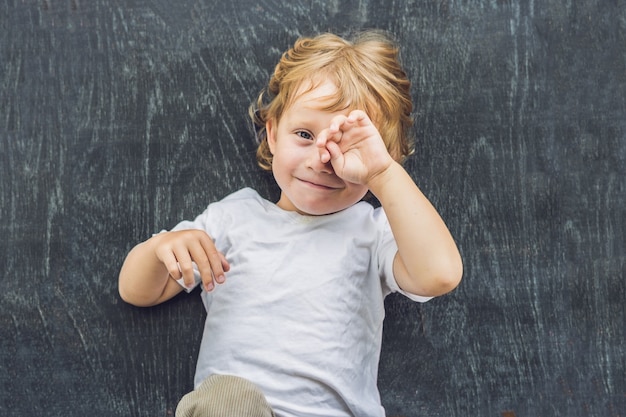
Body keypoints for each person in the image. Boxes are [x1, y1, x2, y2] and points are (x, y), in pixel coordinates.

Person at [118, 30, 463, 417]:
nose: (321, 160)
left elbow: (440, 275)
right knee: (228, 398)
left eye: (346, 145)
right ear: (272, 133)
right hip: (234, 410)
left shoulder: (373, 232)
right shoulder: (233, 219)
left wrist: (382, 173)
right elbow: (137, 291)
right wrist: (159, 248)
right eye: (304, 134)